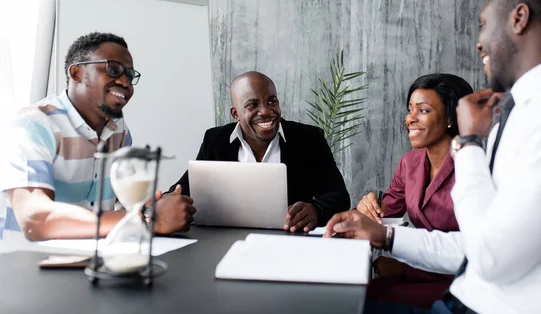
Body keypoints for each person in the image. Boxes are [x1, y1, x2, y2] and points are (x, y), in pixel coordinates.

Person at [325, 0, 541, 314]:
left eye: (485, 24)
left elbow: (491, 257)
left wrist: (468, 144)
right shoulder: (519, 113)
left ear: (519, 18)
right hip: (461, 301)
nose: (479, 42)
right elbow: (478, 243)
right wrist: (384, 236)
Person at [0, 32, 195, 252]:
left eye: (130, 76)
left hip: (91, 260)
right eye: (113, 70)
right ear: (76, 73)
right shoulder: (33, 125)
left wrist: (155, 206)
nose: (125, 82)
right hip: (25, 267)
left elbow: (129, 204)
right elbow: (35, 219)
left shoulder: (118, 129)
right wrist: (147, 219)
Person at [169, 71, 350, 232]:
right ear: (235, 113)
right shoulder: (216, 141)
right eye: (252, 105)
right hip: (226, 243)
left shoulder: (309, 139)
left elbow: (339, 196)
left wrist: (316, 209)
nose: (265, 111)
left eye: (272, 101)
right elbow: (182, 191)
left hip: (291, 243)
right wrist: (162, 205)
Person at [356, 73, 473, 307]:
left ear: (451, 116)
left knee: (383, 301)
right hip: (422, 270)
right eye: (410, 109)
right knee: (361, 293)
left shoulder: (472, 164)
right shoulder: (409, 163)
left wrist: (406, 271)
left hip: (463, 278)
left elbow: (474, 249)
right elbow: (384, 215)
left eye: (423, 110)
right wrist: (365, 209)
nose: (410, 119)